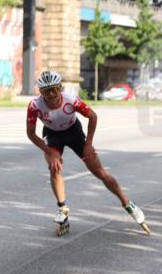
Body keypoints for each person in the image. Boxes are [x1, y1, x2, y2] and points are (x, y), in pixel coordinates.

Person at [26, 70, 149, 236]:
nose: (52, 94)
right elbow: (31, 134)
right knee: (54, 166)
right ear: (41, 92)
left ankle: (128, 204)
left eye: (55, 89)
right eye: (47, 91)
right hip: (53, 136)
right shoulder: (34, 106)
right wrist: (50, 152)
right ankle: (63, 208)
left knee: (99, 172)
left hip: (74, 133)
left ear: (60, 87)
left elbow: (93, 117)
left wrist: (89, 144)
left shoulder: (71, 100)